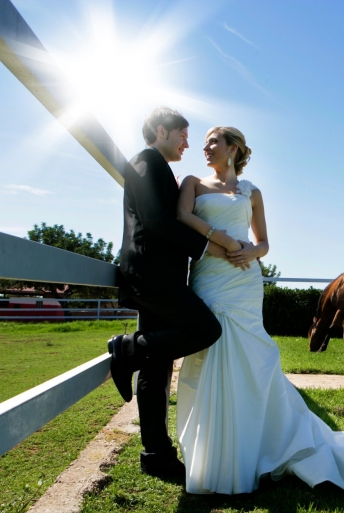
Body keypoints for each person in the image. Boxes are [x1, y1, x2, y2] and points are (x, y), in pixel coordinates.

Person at [174, 126, 344, 494]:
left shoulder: (252, 192)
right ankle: (212, 451)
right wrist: (224, 241)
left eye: (212, 142)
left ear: (233, 149)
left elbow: (264, 243)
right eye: (203, 143)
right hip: (211, 276)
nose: (205, 148)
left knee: (250, 357)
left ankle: (251, 444)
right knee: (209, 351)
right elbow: (183, 217)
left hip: (243, 280)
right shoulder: (192, 183)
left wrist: (251, 251)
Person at [109, 107, 242, 480]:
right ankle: (127, 349)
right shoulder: (146, 161)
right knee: (205, 330)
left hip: (159, 277)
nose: (188, 142)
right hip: (151, 277)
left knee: (157, 367)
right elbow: (156, 220)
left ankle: (156, 454)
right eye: (183, 134)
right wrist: (209, 248)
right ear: (161, 131)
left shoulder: (160, 167)